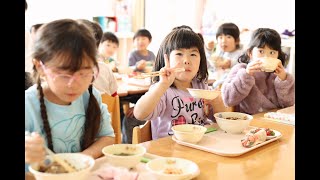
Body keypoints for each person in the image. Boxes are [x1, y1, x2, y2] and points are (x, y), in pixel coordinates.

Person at [25, 19, 115, 172]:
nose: (74, 84)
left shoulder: (91, 96)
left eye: (84, 72)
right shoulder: (28, 104)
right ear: (40, 66)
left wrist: (80, 160)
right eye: (64, 74)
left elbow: (107, 137)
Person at [133, 25, 215, 140]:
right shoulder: (163, 90)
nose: (186, 60)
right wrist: (162, 85)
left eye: (193, 54)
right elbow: (139, 114)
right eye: (179, 54)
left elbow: (217, 117)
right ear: (167, 59)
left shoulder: (201, 86)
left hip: (197, 145)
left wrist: (214, 102)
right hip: (169, 151)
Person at [221, 28, 295, 115]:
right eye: (261, 51)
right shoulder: (241, 70)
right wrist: (246, 75)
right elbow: (228, 99)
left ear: (278, 55)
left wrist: (283, 80)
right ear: (250, 53)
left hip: (273, 120)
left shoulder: (279, 75)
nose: (266, 56)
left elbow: (289, 105)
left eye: (272, 53)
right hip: (247, 121)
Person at [77, 19, 118, 97]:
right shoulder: (105, 68)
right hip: (107, 107)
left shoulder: (68, 72)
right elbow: (114, 96)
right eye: (108, 45)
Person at [208, 23, 243, 89]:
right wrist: (209, 50)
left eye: (228, 37)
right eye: (220, 37)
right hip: (216, 81)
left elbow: (242, 66)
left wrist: (230, 63)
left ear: (237, 41)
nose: (223, 41)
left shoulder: (240, 53)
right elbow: (210, 65)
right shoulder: (220, 52)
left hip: (230, 84)